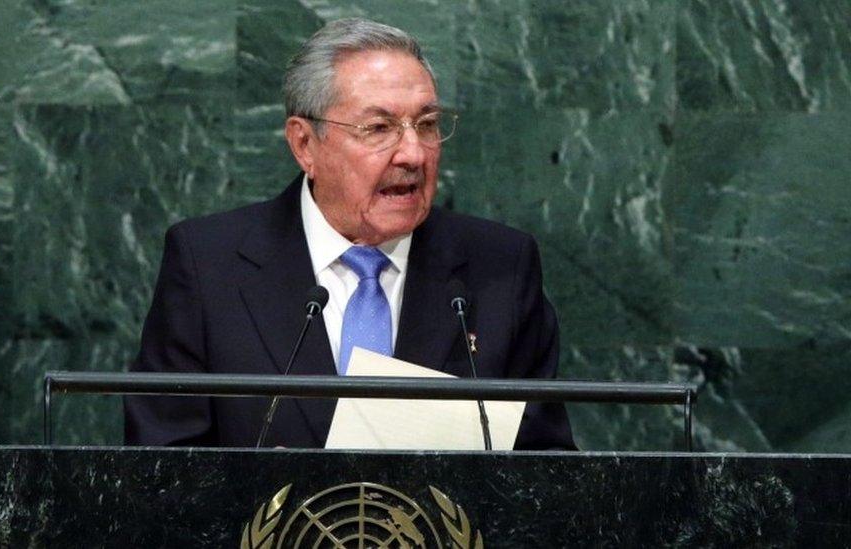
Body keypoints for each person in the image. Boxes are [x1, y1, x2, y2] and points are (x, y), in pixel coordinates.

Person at [124, 18, 575, 450]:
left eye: (427, 124)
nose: (414, 154)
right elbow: (161, 466)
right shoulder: (208, 265)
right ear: (305, 145)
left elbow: (545, 469)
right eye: (379, 128)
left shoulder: (500, 268)